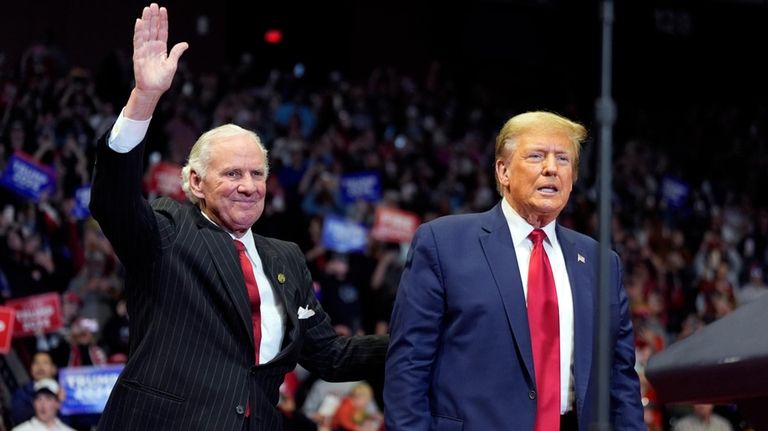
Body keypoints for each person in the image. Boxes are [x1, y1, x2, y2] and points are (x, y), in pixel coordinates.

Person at [88, 4, 388, 431]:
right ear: (195, 182)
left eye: (257, 173)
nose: (248, 185)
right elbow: (112, 202)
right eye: (231, 174)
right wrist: (145, 98)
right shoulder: (168, 230)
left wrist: (417, 340)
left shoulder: (286, 258)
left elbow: (331, 357)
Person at [384, 111, 644, 430]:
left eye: (563, 159)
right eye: (536, 156)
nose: (551, 168)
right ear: (503, 171)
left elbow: (622, 381)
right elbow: (407, 368)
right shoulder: (443, 243)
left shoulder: (601, 261)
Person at [10, 352, 58, 426]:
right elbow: (19, 417)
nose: (40, 367)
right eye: (36, 363)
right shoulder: (21, 392)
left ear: (54, 369)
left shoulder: (65, 391)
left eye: (45, 363)